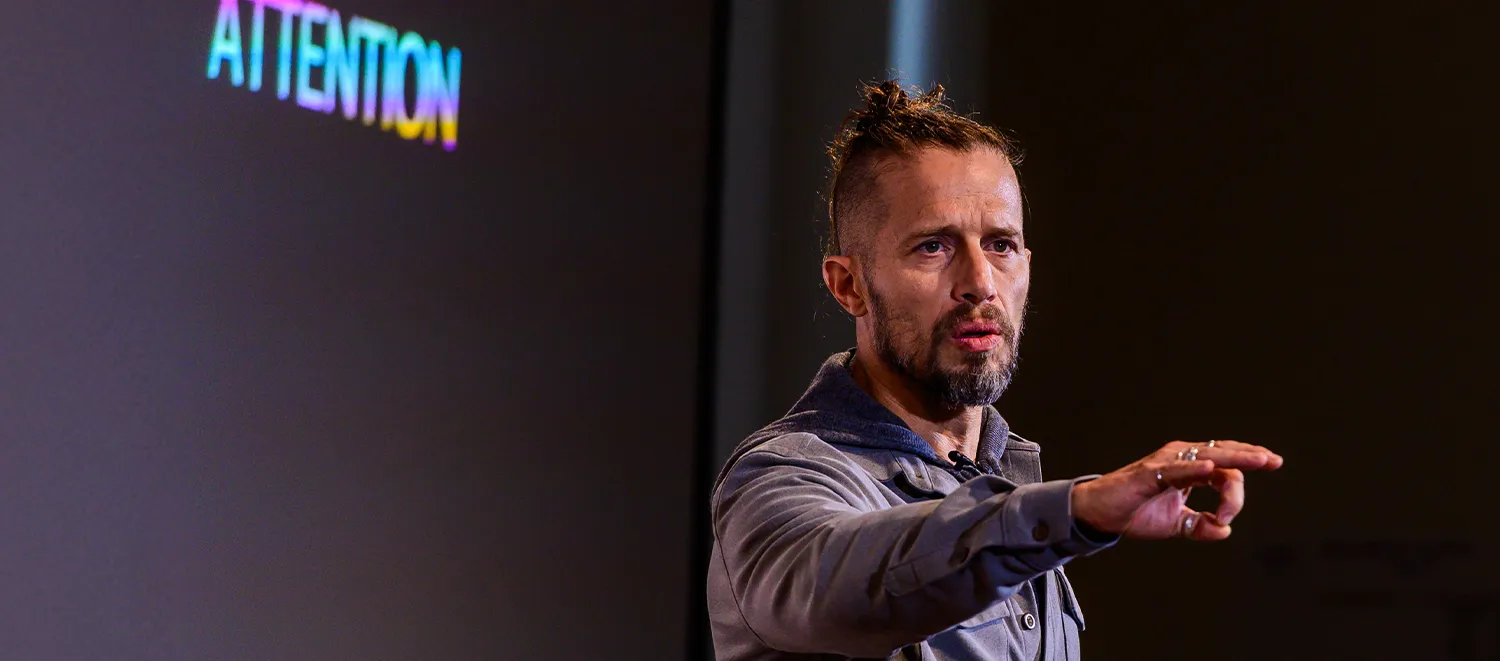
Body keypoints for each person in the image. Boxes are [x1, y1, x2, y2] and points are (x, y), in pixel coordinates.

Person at [705, 80, 1284, 661]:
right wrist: (1074, 511)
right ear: (849, 285)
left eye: (1001, 244)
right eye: (933, 246)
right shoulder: (784, 478)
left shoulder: (1009, 475)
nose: (980, 282)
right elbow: (837, 586)